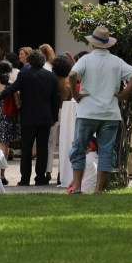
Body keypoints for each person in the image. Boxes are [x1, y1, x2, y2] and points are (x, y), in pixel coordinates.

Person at [67, 27, 132, 194]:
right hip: (110, 112)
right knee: (106, 150)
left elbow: (72, 75)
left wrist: (76, 94)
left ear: (92, 43)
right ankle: (99, 189)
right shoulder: (116, 61)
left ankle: (77, 187)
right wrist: (122, 95)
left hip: (87, 111)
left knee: (79, 147)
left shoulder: (86, 59)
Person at [0, 46, 61, 185]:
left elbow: (11, 89)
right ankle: (40, 178)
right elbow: (55, 100)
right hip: (45, 117)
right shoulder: (51, 77)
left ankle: (25, 179)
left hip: (28, 117)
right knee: (42, 149)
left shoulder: (24, 74)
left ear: (30, 60)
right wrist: (54, 117)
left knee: (27, 148)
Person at [53, 54, 77, 188]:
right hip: (66, 112)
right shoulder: (68, 82)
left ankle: (48, 172)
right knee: (64, 144)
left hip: (54, 112)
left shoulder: (53, 80)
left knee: (51, 145)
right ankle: (61, 173)